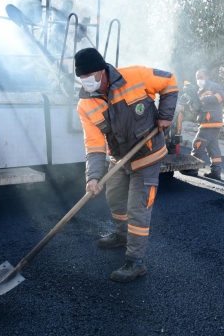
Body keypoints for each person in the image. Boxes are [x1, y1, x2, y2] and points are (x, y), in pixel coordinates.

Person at [75, 48, 178, 283]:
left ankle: (135, 261)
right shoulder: (85, 106)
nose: (86, 81)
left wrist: (165, 114)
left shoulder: (135, 75)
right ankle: (122, 236)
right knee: (115, 199)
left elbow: (170, 81)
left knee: (137, 208)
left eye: (89, 75)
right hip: (119, 159)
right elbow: (94, 144)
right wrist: (93, 177)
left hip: (148, 154)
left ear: (102, 70)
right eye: (81, 78)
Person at [189, 69, 224, 180]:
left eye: (201, 77)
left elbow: (220, 97)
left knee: (198, 144)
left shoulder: (214, 86)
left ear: (207, 77)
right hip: (209, 122)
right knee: (212, 147)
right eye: (197, 78)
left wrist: (203, 99)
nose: (199, 80)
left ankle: (192, 168)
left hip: (210, 122)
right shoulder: (199, 91)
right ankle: (215, 172)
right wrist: (194, 107)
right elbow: (199, 109)